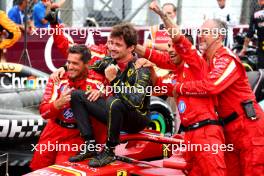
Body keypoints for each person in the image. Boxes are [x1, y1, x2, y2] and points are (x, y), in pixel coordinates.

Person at [134, 1, 226, 175]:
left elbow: (179, 42)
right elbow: (159, 86)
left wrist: (162, 14)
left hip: (207, 134)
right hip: (189, 136)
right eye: (168, 46)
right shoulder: (175, 75)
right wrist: (149, 66)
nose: (170, 50)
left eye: (173, 46)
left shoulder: (197, 65)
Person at [171, 15, 264, 176]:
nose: (200, 35)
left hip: (249, 129)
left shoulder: (227, 58)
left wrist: (180, 87)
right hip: (227, 131)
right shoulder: (205, 61)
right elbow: (177, 56)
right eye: (200, 31)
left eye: (205, 31)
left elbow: (211, 86)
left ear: (219, 36)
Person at [68, 23, 151, 167]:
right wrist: (64, 68)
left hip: (137, 119)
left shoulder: (141, 67)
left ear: (131, 48)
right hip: (115, 113)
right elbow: (88, 66)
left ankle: (109, 151)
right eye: (111, 43)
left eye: (118, 45)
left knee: (114, 101)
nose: (112, 48)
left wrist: (114, 80)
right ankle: (90, 146)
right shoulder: (109, 60)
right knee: (77, 95)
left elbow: (136, 101)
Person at [30, 44, 107, 170]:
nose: (70, 67)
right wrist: (57, 104)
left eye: (75, 64)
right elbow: (44, 113)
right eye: (68, 62)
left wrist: (102, 92)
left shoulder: (98, 82)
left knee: (63, 171)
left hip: (76, 135)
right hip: (52, 131)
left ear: (87, 64)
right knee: (37, 169)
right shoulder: (57, 78)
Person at [240, 0, 264, 69]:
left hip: (262, 47)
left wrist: (244, 49)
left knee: (262, 70)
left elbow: (250, 33)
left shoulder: (256, 15)